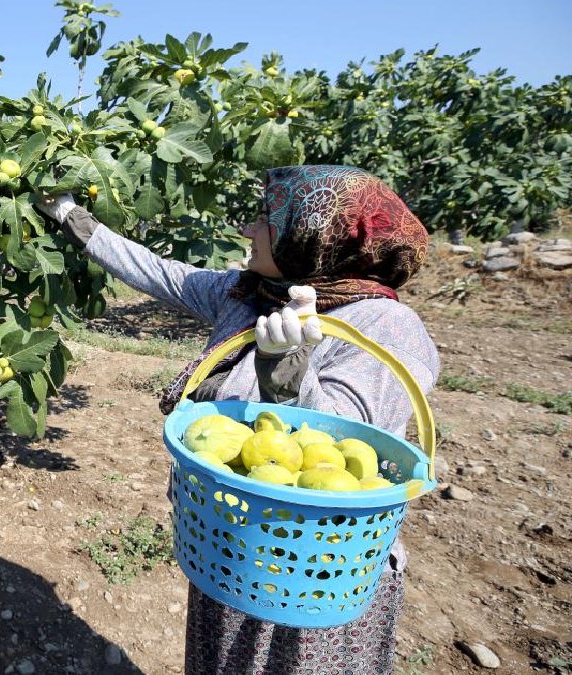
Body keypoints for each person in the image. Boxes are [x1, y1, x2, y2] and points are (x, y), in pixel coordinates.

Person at [37, 165, 439, 675]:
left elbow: (340, 448)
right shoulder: (248, 294)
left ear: (307, 237)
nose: (246, 230)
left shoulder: (386, 327)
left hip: (315, 569)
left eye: (263, 219)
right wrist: (74, 218)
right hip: (232, 548)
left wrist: (288, 376)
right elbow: (160, 272)